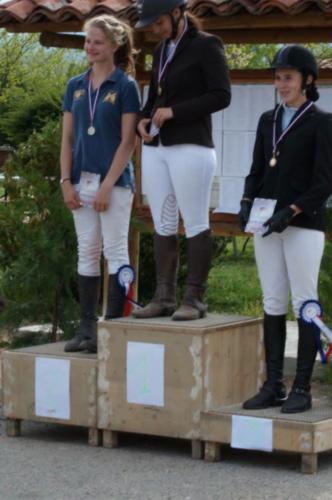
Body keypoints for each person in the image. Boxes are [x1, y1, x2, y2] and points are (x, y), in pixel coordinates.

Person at [239, 45, 332, 413]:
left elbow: (325, 181)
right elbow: (257, 170)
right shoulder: (267, 120)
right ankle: (274, 384)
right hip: (266, 224)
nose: (281, 84)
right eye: (277, 77)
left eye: (288, 77)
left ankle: (303, 389)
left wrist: (292, 210)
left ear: (307, 80)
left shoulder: (321, 122)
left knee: (304, 303)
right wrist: (247, 202)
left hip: (303, 225)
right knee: (272, 302)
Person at [133, 0, 231, 321]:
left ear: (176, 12)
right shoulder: (162, 50)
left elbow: (221, 95)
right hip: (158, 146)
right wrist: (143, 120)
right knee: (161, 221)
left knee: (195, 220)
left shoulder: (207, 45)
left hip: (191, 145)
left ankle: (195, 297)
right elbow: (155, 99)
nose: (155, 29)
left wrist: (176, 112)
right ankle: (164, 296)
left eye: (158, 22)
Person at [60, 15, 140, 353]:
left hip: (115, 183)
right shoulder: (75, 86)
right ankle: (88, 332)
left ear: (114, 45)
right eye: (87, 41)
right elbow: (66, 139)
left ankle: (115, 331)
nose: (89, 47)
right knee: (87, 252)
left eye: (97, 41)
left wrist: (108, 184)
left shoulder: (125, 86)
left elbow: (128, 142)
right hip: (81, 182)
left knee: (116, 251)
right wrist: (65, 180)